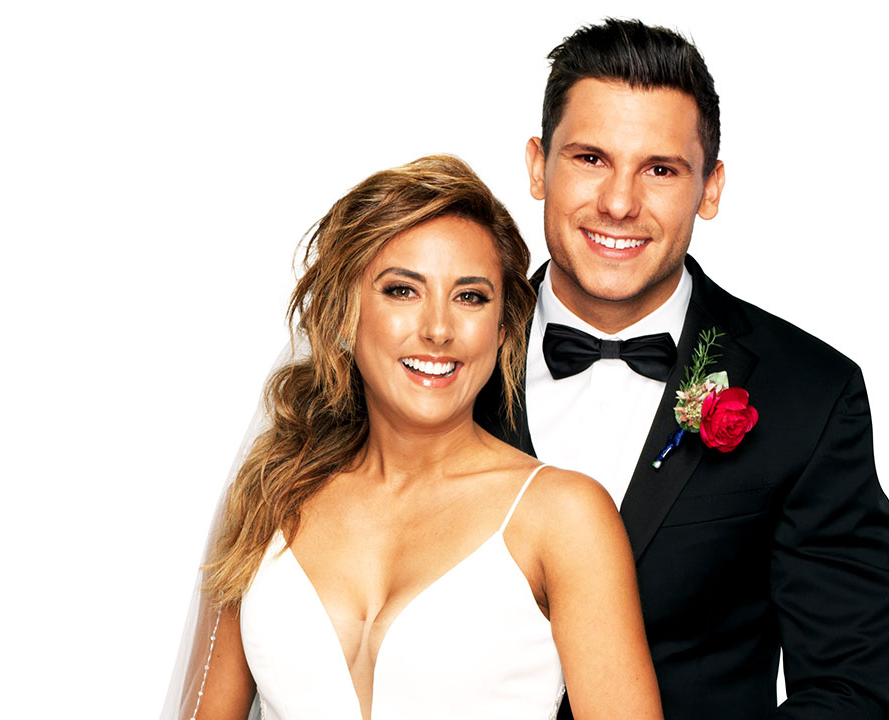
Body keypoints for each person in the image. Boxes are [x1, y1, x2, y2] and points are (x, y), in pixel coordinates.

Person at [472, 19, 889, 719]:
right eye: (590, 158)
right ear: (537, 165)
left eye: (660, 169)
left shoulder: (810, 395)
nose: (619, 202)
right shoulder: (439, 368)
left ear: (710, 188)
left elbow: (848, 689)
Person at [161, 155, 664, 720]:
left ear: (502, 329)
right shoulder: (270, 496)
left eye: (470, 297)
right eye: (403, 290)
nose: (438, 330)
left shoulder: (564, 517)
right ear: (345, 311)